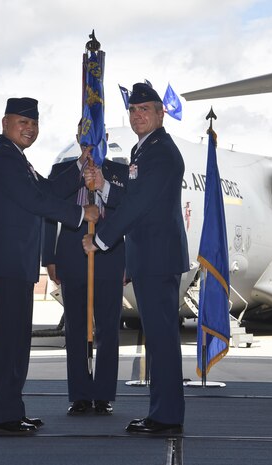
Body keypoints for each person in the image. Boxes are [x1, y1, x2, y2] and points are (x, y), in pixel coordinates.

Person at [0, 97, 99, 435]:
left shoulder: (17, 159)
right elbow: (36, 201)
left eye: (34, 124)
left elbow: (48, 188)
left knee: (16, 341)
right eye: (22, 122)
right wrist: (80, 214)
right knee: (8, 342)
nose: (29, 129)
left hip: (15, 262)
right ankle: (2, 415)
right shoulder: (3, 157)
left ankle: (9, 410)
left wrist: (79, 165)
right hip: (7, 262)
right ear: (5, 123)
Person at [82, 82, 189, 435]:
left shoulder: (160, 151)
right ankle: (163, 412)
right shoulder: (143, 150)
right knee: (158, 340)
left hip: (157, 257)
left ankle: (166, 416)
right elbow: (134, 194)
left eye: (145, 110)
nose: (137, 115)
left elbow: (139, 205)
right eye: (133, 110)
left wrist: (100, 240)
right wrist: (104, 186)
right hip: (150, 256)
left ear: (162, 114)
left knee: (161, 341)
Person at [42, 123, 128, 416]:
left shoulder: (120, 172)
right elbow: (48, 213)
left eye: (96, 136)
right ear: (78, 138)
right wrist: (49, 258)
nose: (90, 141)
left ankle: (103, 394)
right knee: (76, 328)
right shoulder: (62, 171)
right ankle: (79, 394)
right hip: (71, 255)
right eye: (85, 135)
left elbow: (128, 212)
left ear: (106, 138)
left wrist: (100, 183)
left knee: (108, 329)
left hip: (110, 256)